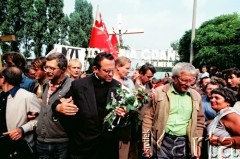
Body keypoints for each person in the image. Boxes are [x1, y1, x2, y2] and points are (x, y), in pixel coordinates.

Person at [52, 52, 127, 159]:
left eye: (113, 70)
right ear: (95, 69)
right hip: (83, 147)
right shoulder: (79, 85)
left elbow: (122, 117)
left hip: (107, 148)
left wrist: (124, 114)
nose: (111, 74)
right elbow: (58, 103)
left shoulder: (117, 86)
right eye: (106, 71)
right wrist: (59, 107)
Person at [142, 62, 205, 158]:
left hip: (183, 143)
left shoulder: (196, 96)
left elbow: (200, 122)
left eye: (191, 81)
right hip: (161, 142)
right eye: (184, 80)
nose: (188, 84)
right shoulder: (159, 92)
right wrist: (146, 142)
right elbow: (148, 118)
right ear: (174, 78)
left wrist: (198, 144)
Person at [35, 52, 73, 159]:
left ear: (63, 69)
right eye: (46, 67)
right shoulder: (46, 83)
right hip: (42, 140)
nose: (47, 71)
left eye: (52, 68)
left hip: (60, 142)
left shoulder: (72, 86)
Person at [0, 66, 41, 158]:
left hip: (19, 148)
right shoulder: (1, 96)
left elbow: (39, 120)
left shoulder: (28, 97)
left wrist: (22, 129)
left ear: (3, 79)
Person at [207, 87, 240, 158]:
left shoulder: (229, 114)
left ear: (228, 102)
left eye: (217, 98)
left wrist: (219, 140)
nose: (212, 100)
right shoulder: (220, 114)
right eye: (211, 97)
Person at [113, 56, 135, 159]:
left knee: (123, 154)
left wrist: (129, 109)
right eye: (127, 68)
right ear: (118, 66)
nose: (128, 71)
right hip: (111, 125)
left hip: (126, 124)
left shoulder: (129, 82)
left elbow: (134, 101)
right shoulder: (109, 80)